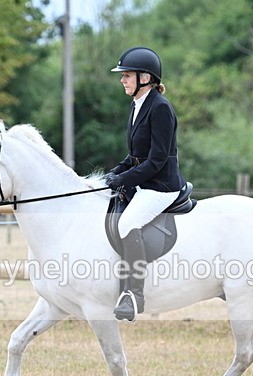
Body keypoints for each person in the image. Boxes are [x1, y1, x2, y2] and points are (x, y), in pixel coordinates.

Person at [105, 46, 188, 322]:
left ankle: (134, 295)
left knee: (128, 223)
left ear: (145, 77)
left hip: (161, 186)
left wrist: (124, 180)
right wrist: (116, 172)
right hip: (145, 182)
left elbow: (156, 160)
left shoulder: (161, 108)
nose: (122, 80)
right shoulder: (136, 105)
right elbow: (135, 155)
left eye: (126, 75)